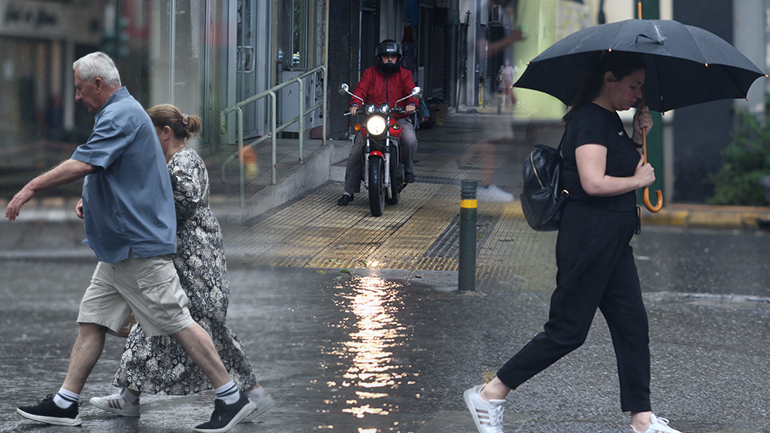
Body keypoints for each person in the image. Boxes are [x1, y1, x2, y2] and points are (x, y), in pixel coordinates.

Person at [7, 52, 255, 433]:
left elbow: (87, 162)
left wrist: (30, 187)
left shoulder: (121, 113)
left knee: (177, 321)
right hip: (117, 249)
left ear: (98, 85)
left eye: (78, 88)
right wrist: (89, 199)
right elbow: (117, 171)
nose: (76, 97)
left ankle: (230, 395)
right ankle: (65, 402)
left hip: (138, 247)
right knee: (92, 319)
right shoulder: (116, 114)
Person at [463, 51, 683, 433]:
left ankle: (642, 419)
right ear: (609, 78)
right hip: (588, 240)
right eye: (633, 86)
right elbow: (593, 182)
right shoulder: (588, 121)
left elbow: (619, 165)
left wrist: (635, 137)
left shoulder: (612, 121)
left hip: (614, 241)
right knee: (567, 331)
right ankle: (490, 392)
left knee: (633, 325)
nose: (637, 94)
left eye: (641, 88)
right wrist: (638, 182)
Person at [88, 104, 274, 422]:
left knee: (204, 329)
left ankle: (253, 393)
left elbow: (183, 201)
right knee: (152, 325)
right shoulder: (169, 161)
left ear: (166, 132)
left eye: (149, 136)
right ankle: (128, 396)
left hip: (197, 262)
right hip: (177, 257)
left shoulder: (185, 160)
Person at [337, 39, 419, 206]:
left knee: (409, 139)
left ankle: (409, 171)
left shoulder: (405, 74)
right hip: (374, 119)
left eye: (393, 57)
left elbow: (411, 91)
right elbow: (360, 89)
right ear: (379, 58)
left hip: (398, 118)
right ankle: (348, 191)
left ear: (398, 58)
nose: (389, 60)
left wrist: (412, 104)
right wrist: (355, 104)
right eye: (386, 56)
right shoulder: (370, 73)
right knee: (356, 150)